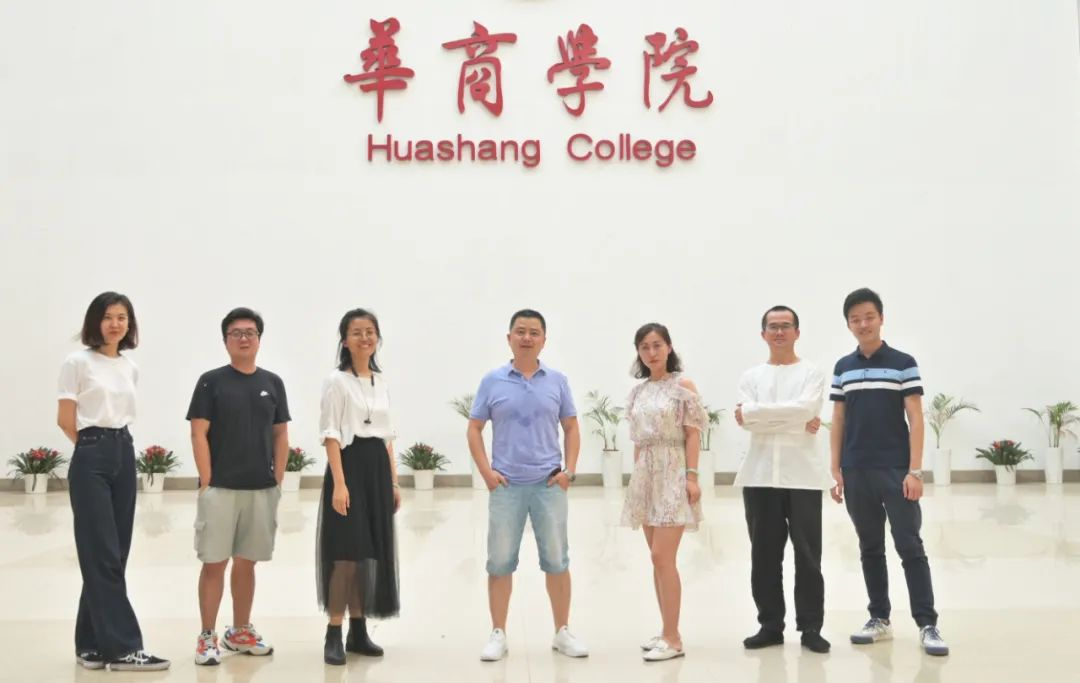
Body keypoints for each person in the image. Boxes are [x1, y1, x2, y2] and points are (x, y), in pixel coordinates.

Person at [829, 288, 948, 656]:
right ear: (848, 324)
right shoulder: (843, 367)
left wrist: (915, 471)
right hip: (856, 470)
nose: (863, 324)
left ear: (881, 318)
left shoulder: (903, 363)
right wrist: (835, 468)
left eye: (869, 316)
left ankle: (927, 624)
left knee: (910, 545)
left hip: (896, 471)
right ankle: (879, 617)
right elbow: (838, 419)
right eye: (855, 319)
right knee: (869, 547)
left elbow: (915, 417)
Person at [57, 291, 171, 672]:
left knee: (114, 554)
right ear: (95, 321)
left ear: (130, 324)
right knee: (101, 552)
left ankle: (89, 644)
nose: (115, 324)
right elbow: (65, 419)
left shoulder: (129, 367)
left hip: (125, 450)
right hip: (92, 454)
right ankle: (123, 648)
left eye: (122, 317)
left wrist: (114, 448)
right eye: (108, 317)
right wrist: (93, 447)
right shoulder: (77, 362)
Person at [466, 309, 588, 662]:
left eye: (534, 332)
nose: (527, 337)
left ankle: (562, 631)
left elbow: (571, 426)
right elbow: (474, 428)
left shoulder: (557, 381)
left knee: (557, 560)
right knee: (500, 562)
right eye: (520, 331)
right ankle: (498, 633)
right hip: (506, 486)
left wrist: (570, 472)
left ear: (544, 340)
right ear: (509, 338)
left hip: (549, 485)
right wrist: (487, 473)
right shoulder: (492, 381)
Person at [186, 307, 290, 665]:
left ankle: (240, 631)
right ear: (225, 340)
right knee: (214, 563)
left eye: (250, 332)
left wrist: (277, 480)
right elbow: (198, 432)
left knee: (247, 564)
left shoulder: (273, 383)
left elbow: (280, 434)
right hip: (221, 490)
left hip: (261, 489)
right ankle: (207, 636)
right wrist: (207, 482)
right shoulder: (211, 382)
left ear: (259, 339)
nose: (244, 338)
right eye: (236, 333)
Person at [734, 305, 832, 654]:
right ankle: (770, 626)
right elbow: (747, 419)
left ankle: (811, 628)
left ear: (797, 332)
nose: (779, 332)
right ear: (763, 334)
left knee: (808, 556)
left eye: (786, 326)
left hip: (803, 476)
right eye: (773, 326)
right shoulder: (751, 377)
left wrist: (761, 416)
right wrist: (794, 420)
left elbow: (806, 410)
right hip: (759, 475)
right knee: (763, 555)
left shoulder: (812, 373)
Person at [317, 308, 401, 665]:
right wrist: (340, 483)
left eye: (370, 332)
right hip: (349, 467)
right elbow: (331, 434)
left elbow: (387, 437)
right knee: (346, 555)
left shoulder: (380, 381)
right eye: (357, 332)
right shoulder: (337, 381)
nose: (365, 338)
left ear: (377, 338)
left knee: (367, 555)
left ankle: (358, 631)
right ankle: (333, 632)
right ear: (344, 341)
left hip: (377, 469)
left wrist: (393, 482)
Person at [620, 323, 706, 661]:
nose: (651, 352)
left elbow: (693, 433)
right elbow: (638, 441)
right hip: (646, 475)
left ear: (669, 347)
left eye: (657, 345)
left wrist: (692, 477)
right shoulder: (638, 392)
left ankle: (673, 638)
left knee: (662, 557)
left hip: (673, 471)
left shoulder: (682, 386)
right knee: (656, 560)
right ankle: (666, 630)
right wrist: (637, 480)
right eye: (644, 347)